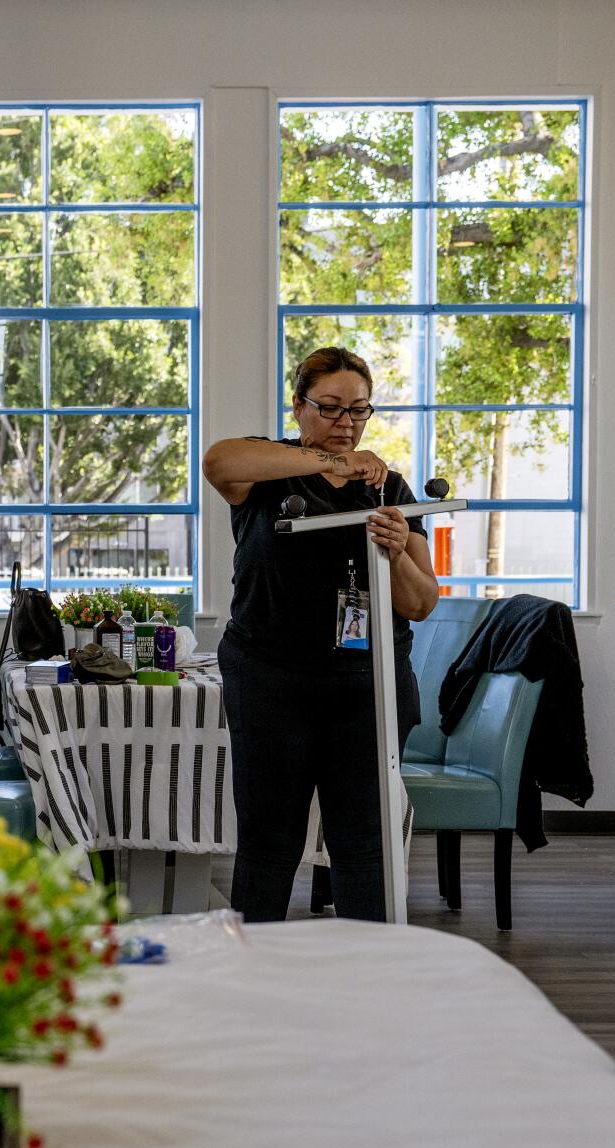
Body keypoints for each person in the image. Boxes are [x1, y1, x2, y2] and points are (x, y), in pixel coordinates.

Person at [201, 346, 441, 923]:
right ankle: (257, 974)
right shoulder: (266, 471)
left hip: (366, 684)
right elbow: (218, 460)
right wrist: (329, 464)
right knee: (268, 839)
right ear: (299, 406)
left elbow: (421, 601)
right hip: (269, 679)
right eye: (330, 408)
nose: (346, 424)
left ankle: (367, 980)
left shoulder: (392, 490)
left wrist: (392, 553)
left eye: (359, 411)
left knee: (363, 842)